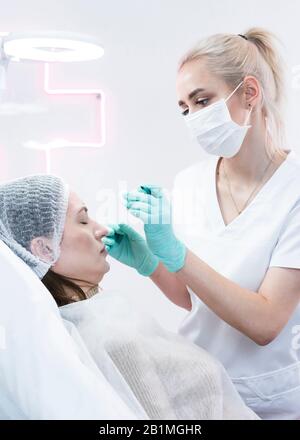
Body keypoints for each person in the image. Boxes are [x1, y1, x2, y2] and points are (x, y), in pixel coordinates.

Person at [106, 28, 300, 420]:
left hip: (271, 399)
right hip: (201, 387)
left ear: (249, 93)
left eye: (202, 100)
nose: (193, 118)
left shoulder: (294, 190)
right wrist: (150, 262)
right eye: (184, 108)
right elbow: (191, 298)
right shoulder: (190, 182)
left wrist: (177, 254)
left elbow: (265, 323)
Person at [0, 173, 258, 420]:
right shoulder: (109, 340)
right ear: (44, 249)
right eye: (83, 220)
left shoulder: (86, 329)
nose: (100, 229)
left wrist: (152, 263)